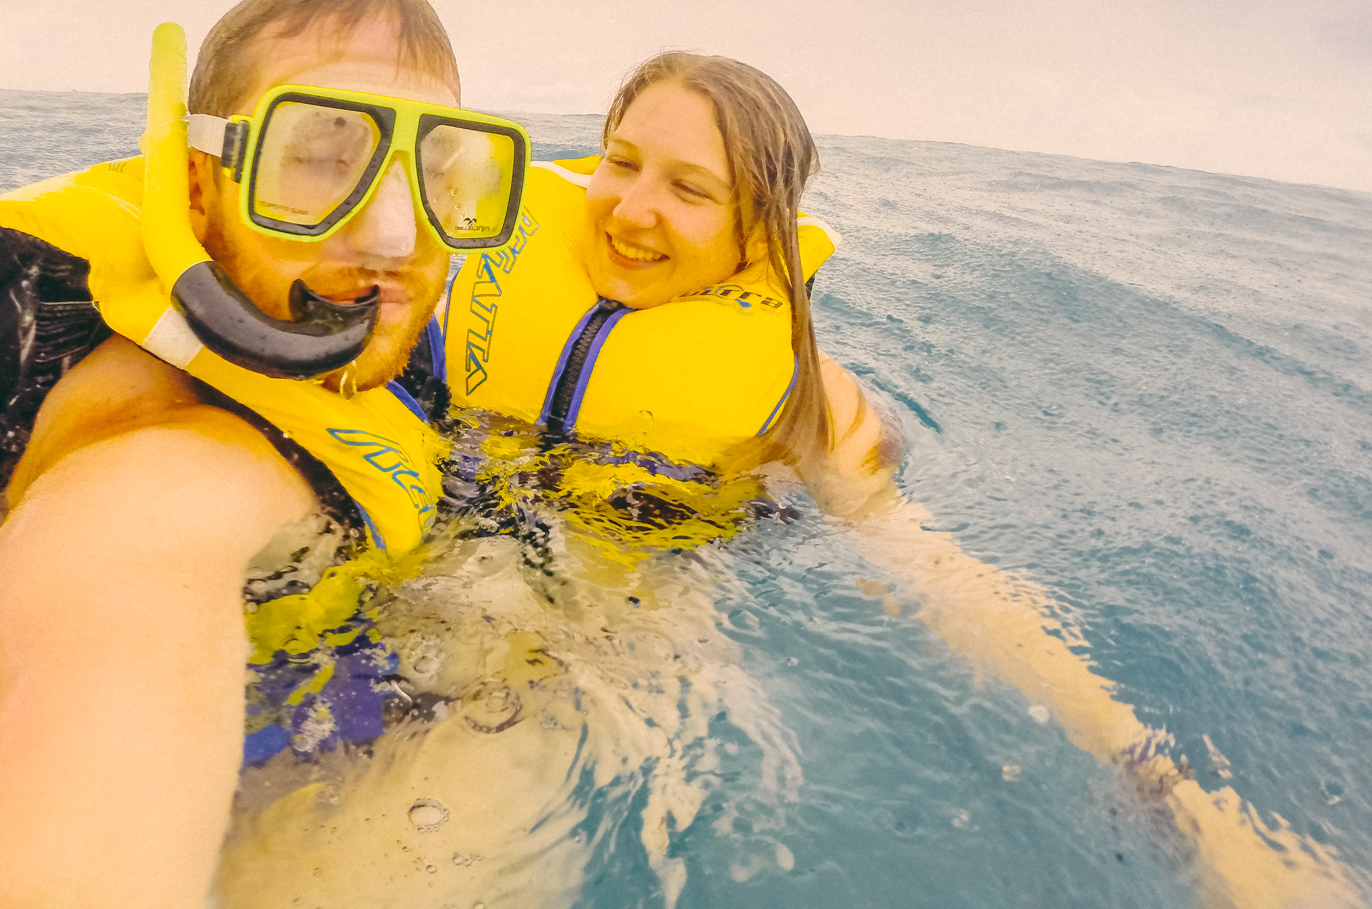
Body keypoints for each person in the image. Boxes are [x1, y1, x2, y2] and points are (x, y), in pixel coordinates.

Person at [435, 49, 1360, 909]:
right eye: (620, 161)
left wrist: (1162, 782)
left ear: (760, 227)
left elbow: (938, 576)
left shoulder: (811, 408)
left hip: (605, 643)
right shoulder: (457, 281)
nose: (632, 209)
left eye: (690, 189)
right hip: (424, 566)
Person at [0, 0, 532, 909]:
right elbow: (125, 568)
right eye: (318, 156)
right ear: (199, 187)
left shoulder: (340, 320)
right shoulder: (159, 462)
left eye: (438, 171)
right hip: (33, 721)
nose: (396, 236)